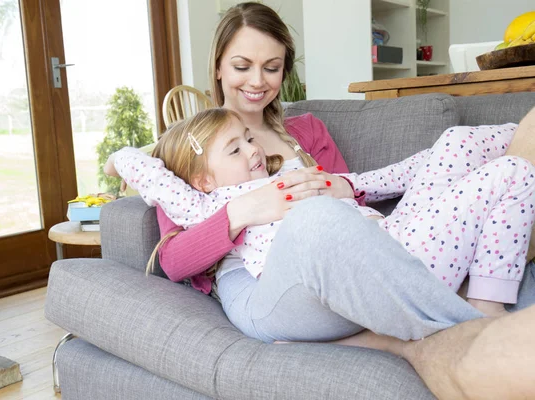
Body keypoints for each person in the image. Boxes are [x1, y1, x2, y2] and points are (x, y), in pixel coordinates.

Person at [112, 2, 535, 398]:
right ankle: (457, 326)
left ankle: (515, 157)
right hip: (275, 273)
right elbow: (174, 258)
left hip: (371, 236)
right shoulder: (194, 159)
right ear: (219, 67)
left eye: (272, 67)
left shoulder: (307, 131)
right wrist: (248, 209)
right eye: (242, 66)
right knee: (319, 219)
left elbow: (350, 208)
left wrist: (346, 187)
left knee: (465, 147)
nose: (257, 81)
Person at [108, 107, 535, 315]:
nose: (253, 150)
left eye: (248, 139)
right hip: (390, 265)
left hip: (395, 231)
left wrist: (343, 185)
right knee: (511, 173)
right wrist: (119, 158)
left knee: (459, 139)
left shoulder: (289, 168)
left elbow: (373, 180)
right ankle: (486, 309)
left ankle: (523, 130)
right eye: (235, 149)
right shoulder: (206, 204)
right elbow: (155, 182)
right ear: (202, 180)